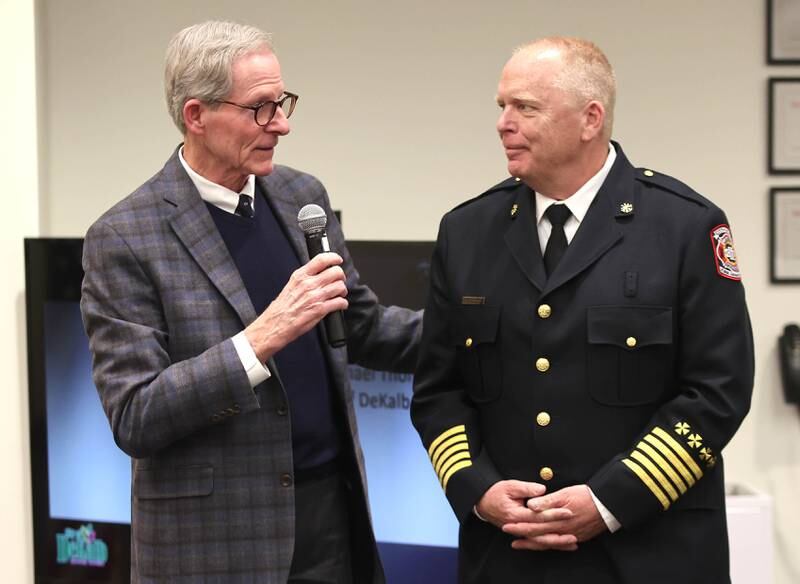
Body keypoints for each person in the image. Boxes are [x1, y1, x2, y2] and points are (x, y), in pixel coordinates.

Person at [80, 20, 420, 584]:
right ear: (197, 115)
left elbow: (360, 325)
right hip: (215, 545)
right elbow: (136, 414)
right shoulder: (124, 237)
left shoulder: (301, 196)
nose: (281, 125)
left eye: (283, 102)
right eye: (261, 108)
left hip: (330, 519)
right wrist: (257, 341)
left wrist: (478, 324)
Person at [411, 36, 753, 584]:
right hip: (507, 556)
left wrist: (610, 500)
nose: (503, 122)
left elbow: (718, 391)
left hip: (650, 552)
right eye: (501, 106)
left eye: (525, 107)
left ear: (590, 118)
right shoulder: (466, 231)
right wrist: (476, 489)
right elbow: (438, 392)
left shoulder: (685, 226)